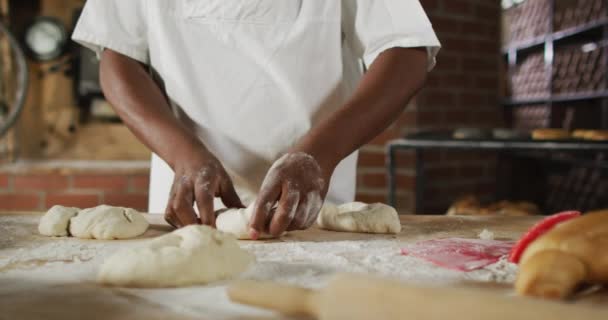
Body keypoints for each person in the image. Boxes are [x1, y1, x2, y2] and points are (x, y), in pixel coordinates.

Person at [73, 1, 440, 239]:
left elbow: (405, 51)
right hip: (191, 215)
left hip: (308, 218)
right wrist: (181, 153)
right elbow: (118, 56)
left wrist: (315, 156)